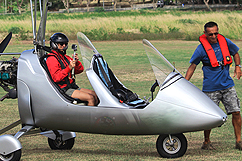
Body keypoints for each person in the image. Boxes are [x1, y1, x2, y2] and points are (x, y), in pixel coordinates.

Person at [185, 21, 242, 150]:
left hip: (227, 86)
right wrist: (185, 82)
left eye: (216, 33)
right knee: (208, 117)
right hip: (210, 88)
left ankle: (239, 141)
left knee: (236, 112)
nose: (214, 36)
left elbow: (236, 53)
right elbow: (192, 66)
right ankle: (206, 141)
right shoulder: (201, 49)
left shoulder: (225, 42)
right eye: (211, 34)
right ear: (205, 34)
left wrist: (238, 67)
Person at [46, 33, 99, 106]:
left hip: (71, 86)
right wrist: (69, 68)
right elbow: (56, 78)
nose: (64, 46)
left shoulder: (65, 57)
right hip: (64, 90)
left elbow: (80, 70)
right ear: (54, 45)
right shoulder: (52, 59)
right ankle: (91, 116)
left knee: (95, 95)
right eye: (61, 44)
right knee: (90, 98)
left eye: (65, 43)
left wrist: (76, 63)